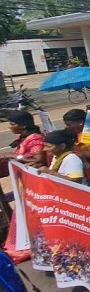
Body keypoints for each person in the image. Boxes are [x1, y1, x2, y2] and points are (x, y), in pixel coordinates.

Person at [1, 110, 46, 261]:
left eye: (12, 124)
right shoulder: (24, 137)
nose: (10, 127)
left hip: (34, 184)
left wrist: (11, 156)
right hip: (24, 182)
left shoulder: (35, 138)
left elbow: (38, 159)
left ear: (23, 125)